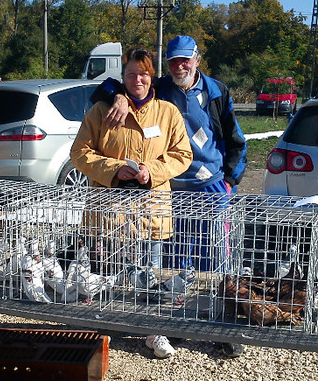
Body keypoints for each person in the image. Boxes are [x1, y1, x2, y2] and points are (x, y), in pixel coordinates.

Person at [91, 35, 248, 358]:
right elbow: (107, 87)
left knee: (218, 260)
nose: (180, 66)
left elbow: (236, 139)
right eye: (174, 61)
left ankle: (224, 327)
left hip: (212, 186)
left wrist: (231, 179)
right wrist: (119, 96)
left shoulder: (217, 92)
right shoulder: (160, 87)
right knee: (175, 264)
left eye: (185, 60)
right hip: (170, 188)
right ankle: (175, 325)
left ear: (197, 60)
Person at [70, 47, 192, 359]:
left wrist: (154, 171)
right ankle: (98, 331)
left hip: (151, 211)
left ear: (152, 78)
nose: (137, 79)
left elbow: (182, 154)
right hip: (108, 212)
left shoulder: (168, 113)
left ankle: (153, 332)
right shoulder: (102, 111)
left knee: (148, 273)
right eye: (131, 74)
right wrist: (113, 169)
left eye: (143, 74)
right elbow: (80, 152)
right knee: (103, 273)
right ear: (122, 78)